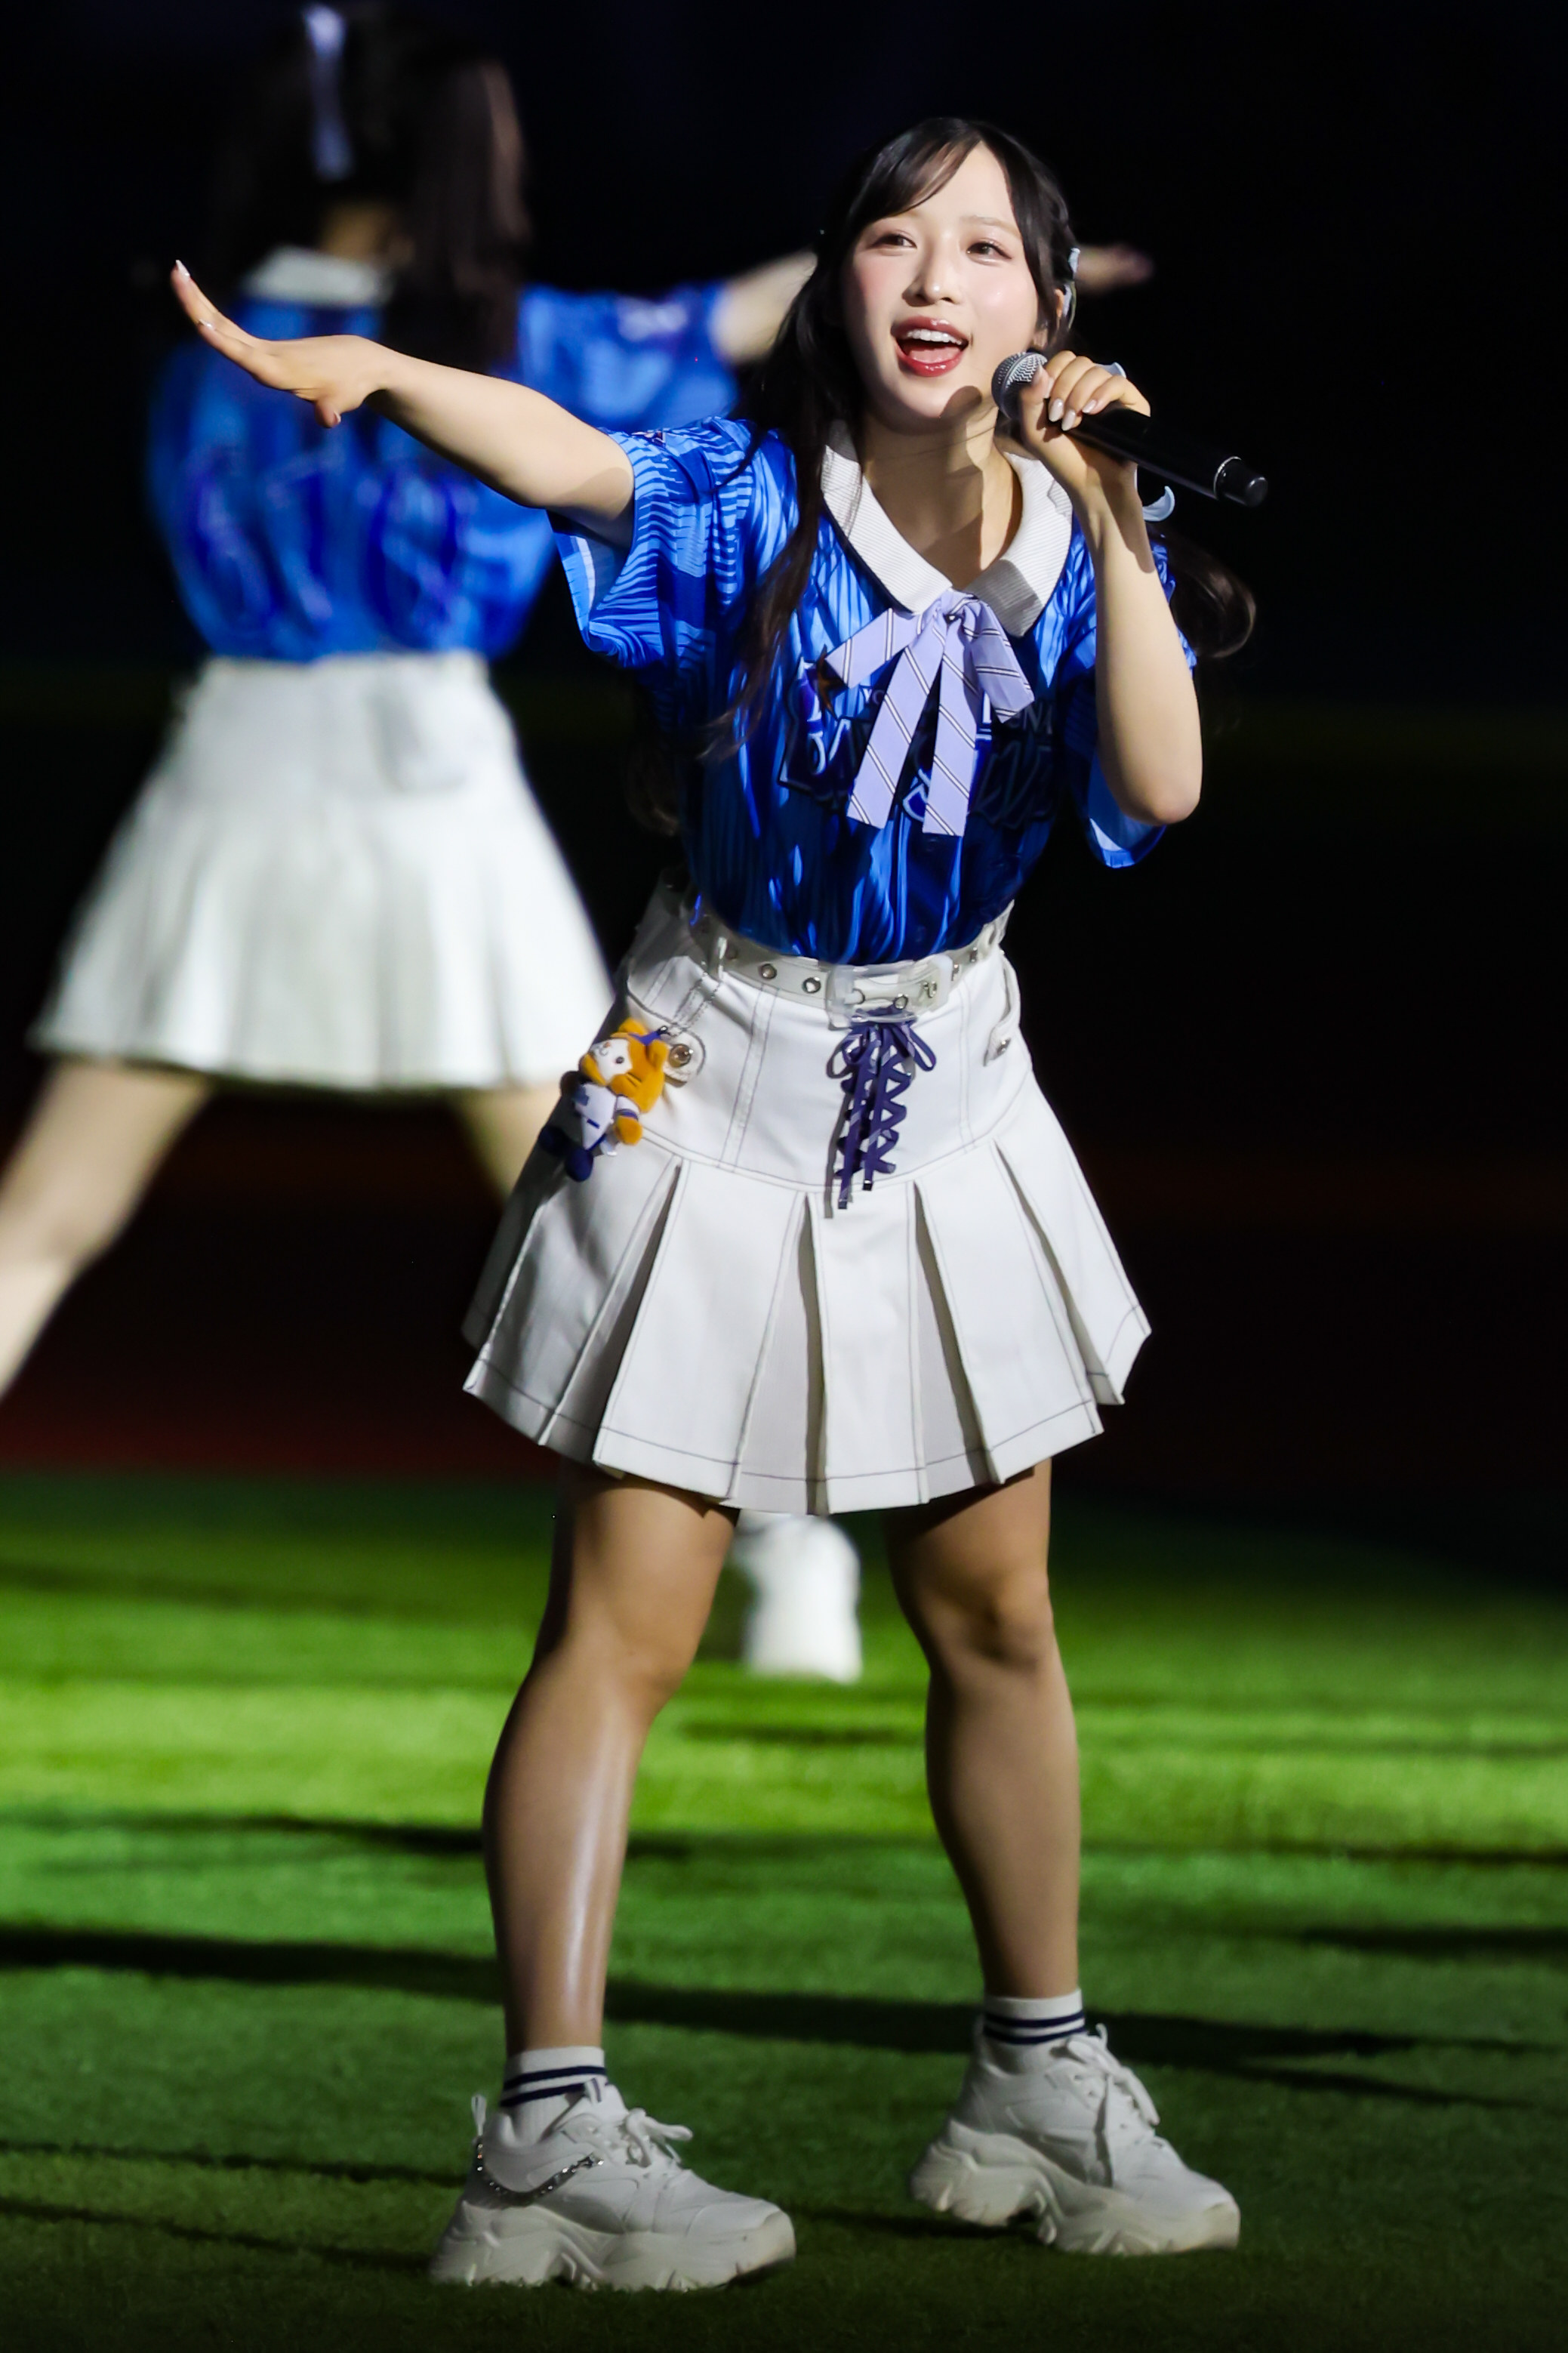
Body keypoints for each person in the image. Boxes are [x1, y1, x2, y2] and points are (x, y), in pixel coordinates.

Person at [171, 109, 1251, 2292]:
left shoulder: (1075, 544)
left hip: (945, 1079)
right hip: (711, 1067)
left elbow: (1158, 780)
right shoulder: (749, 502)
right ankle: (546, 2135)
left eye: (981, 249)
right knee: (623, 1622)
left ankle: (1034, 2083)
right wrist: (376, 377)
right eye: (890, 236)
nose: (930, 277)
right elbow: (567, 455)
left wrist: (1111, 508)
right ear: (840, 286)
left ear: (1046, 311)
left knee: (996, 1611)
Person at [0, 2, 801, 1457]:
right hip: (429, 788)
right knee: (600, 1195)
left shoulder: (194, 347)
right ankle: (783, 1562)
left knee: (42, 1217)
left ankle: (777, 1561)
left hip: (235, 774)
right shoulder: (507, 343)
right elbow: (734, 317)